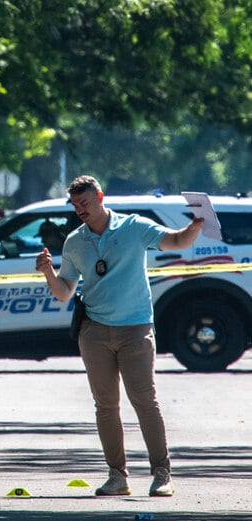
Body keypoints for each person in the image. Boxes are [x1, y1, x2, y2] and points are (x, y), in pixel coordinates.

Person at [35, 175, 203, 497]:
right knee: (106, 405)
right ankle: (117, 476)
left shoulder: (134, 227)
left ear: (100, 196)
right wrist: (48, 272)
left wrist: (194, 227)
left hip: (135, 328)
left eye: (84, 203)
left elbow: (176, 241)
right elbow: (63, 292)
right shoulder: (75, 242)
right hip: (94, 331)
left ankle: (162, 473)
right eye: (75, 206)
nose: (80, 210)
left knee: (145, 401)